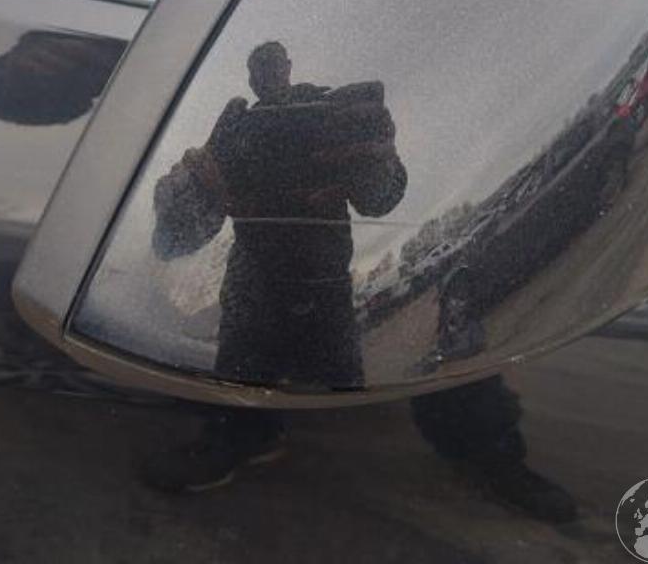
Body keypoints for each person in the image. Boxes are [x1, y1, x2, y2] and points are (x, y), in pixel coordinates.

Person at [142, 43, 577, 523]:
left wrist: (379, 161)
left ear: (287, 67)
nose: (267, 74)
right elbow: (174, 241)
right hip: (257, 279)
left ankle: (489, 450)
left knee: (427, 342)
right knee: (246, 343)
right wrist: (199, 179)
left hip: (330, 281)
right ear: (251, 77)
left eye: (274, 64)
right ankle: (238, 434)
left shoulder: (332, 113)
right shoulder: (238, 130)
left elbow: (380, 202)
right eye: (258, 67)